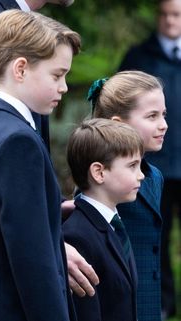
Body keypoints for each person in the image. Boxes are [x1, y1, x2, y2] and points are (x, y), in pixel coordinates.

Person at [0, 0, 98, 319]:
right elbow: (33, 265)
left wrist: (42, 203)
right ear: (20, 68)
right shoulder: (17, 142)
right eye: (57, 75)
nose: (64, 87)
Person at [119, 1, 181, 318]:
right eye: (165, 14)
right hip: (156, 166)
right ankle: (163, 301)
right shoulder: (139, 58)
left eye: (177, 14)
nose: (170, 21)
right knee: (155, 232)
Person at [89, 70, 168, 321]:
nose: (163, 124)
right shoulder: (101, 178)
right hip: (118, 307)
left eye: (163, 115)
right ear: (119, 123)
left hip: (148, 303)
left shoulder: (154, 176)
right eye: (152, 116)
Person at [63, 118, 144, 321]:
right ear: (99, 172)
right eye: (132, 166)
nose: (141, 175)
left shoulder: (114, 225)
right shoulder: (77, 236)